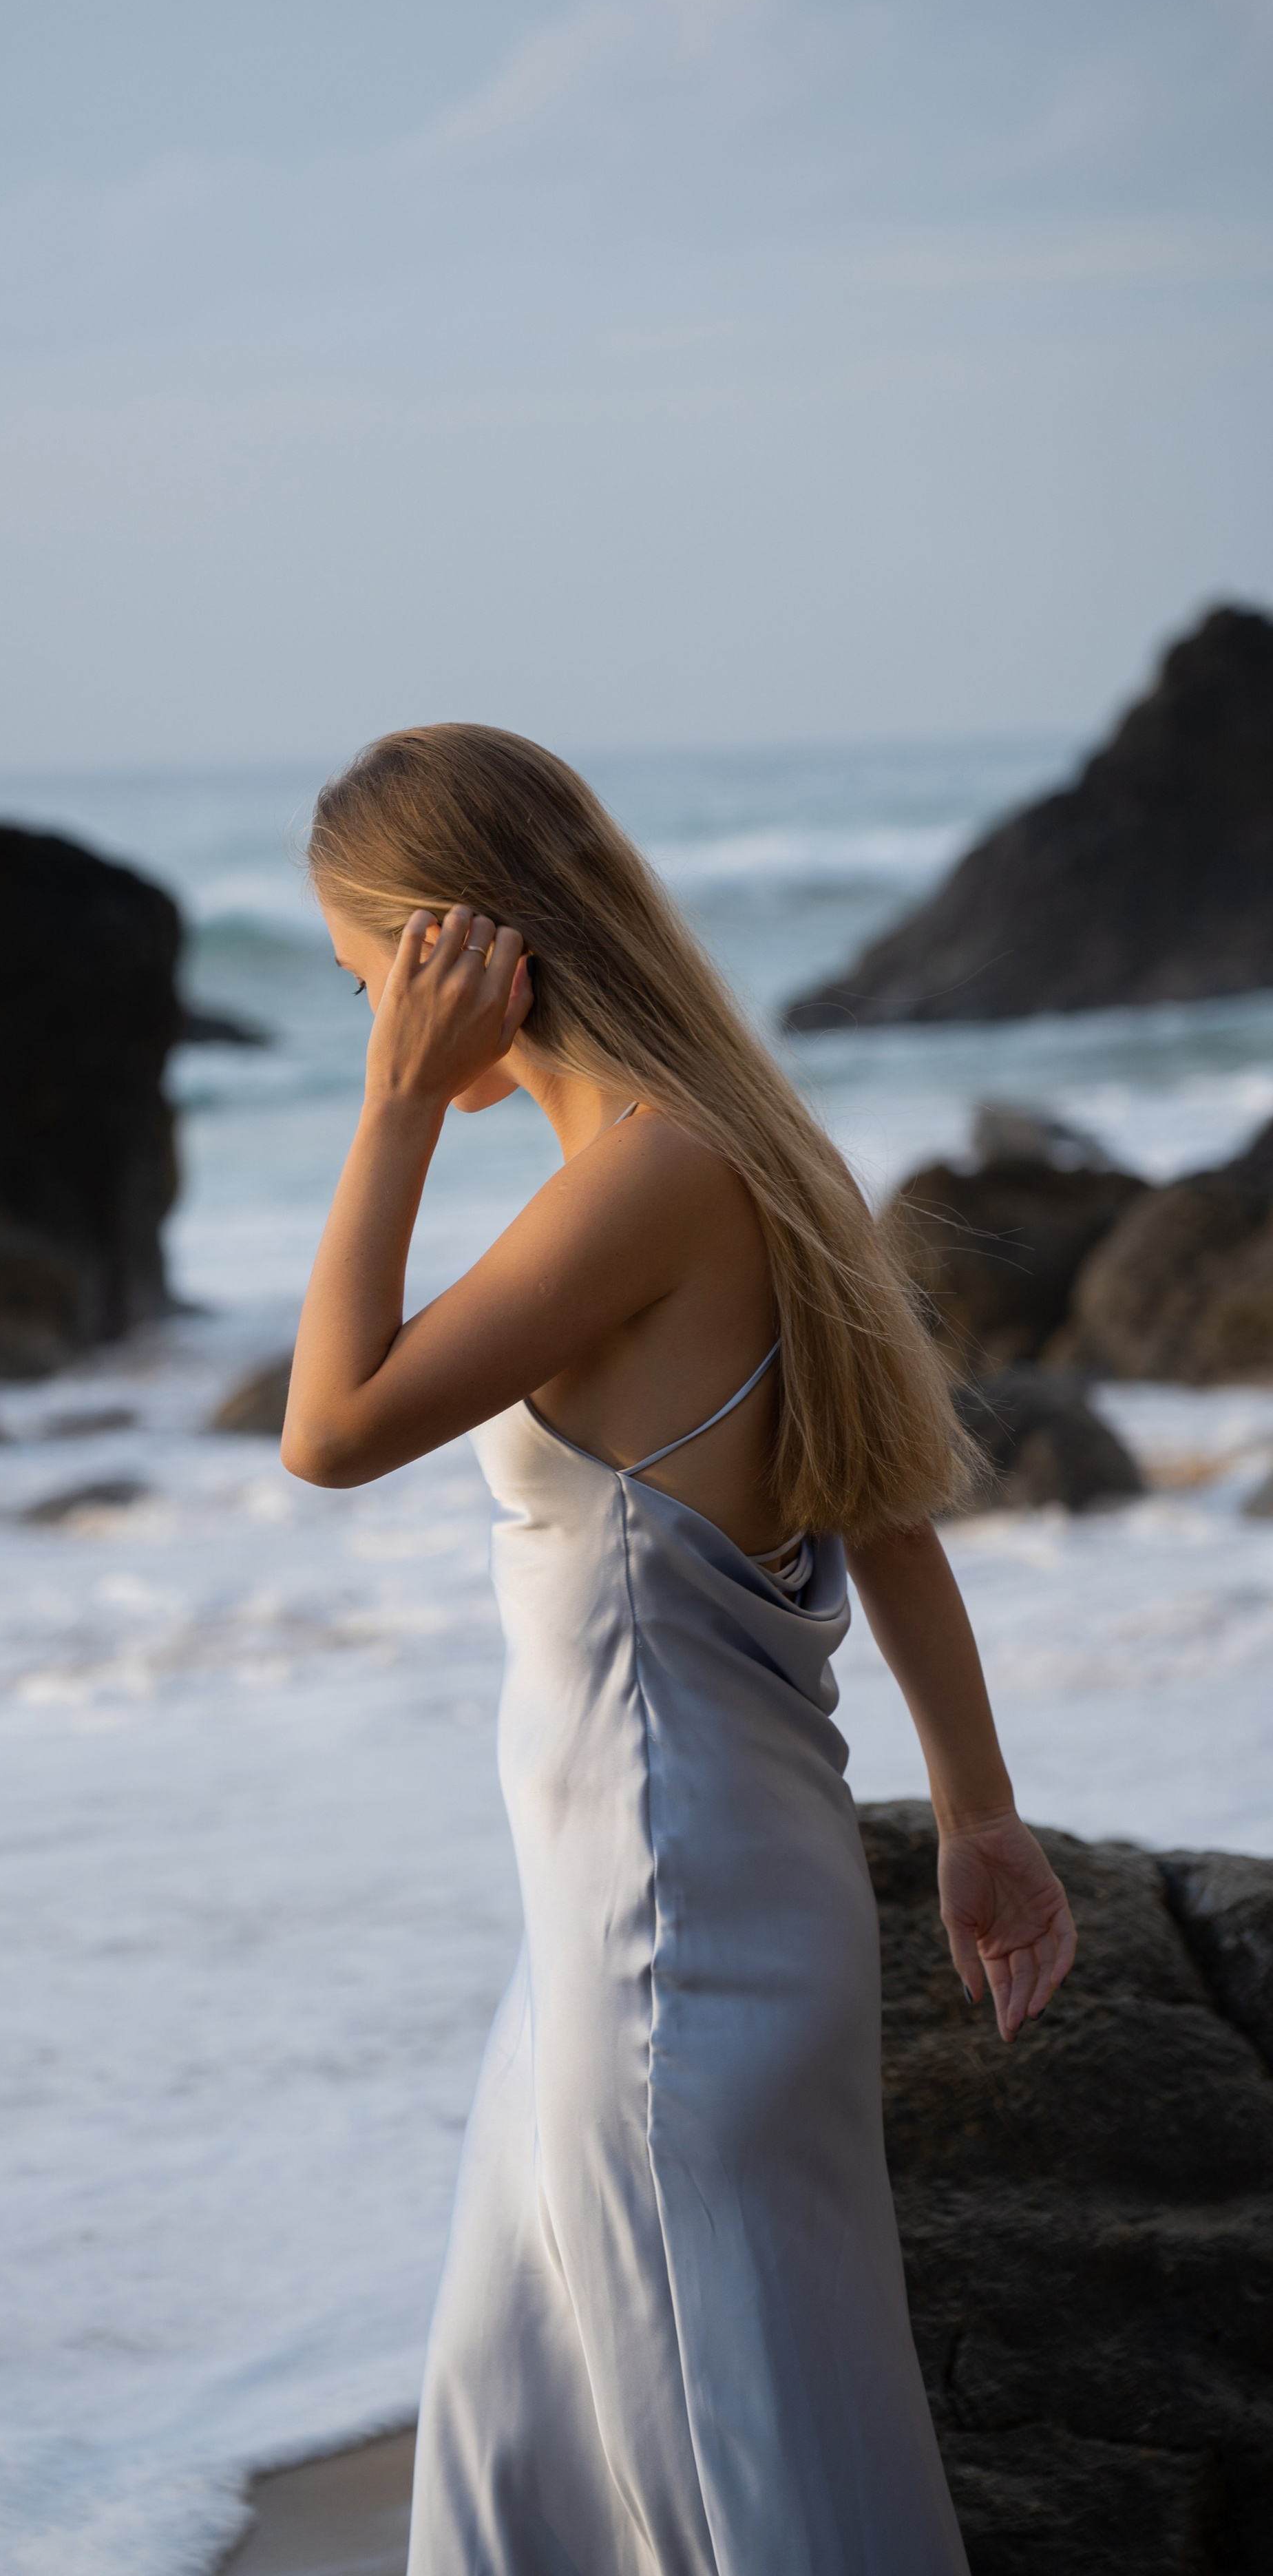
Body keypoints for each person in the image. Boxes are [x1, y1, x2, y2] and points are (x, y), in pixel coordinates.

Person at [280, 724, 1077, 2576]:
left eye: (366, 981)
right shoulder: (729, 1152)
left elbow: (328, 1426)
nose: (367, 1023)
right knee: (536, 2440)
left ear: (448, 950)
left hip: (668, 1937)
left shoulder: (649, 1179)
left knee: (731, 2475)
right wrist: (980, 1820)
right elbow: (889, 1516)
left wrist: (394, 1112)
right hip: (652, 1920)